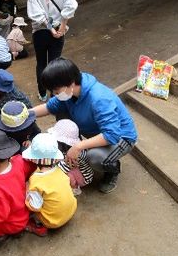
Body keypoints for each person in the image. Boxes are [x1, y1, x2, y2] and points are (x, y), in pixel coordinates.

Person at [31, 57, 138, 194]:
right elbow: (49, 107)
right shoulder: (70, 93)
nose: (55, 95)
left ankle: (112, 169)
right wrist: (25, 114)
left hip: (120, 137)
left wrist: (78, 146)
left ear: (71, 83)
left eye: (57, 91)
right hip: (98, 132)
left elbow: (111, 134)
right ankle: (74, 155)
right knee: (62, 113)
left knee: (94, 157)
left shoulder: (99, 98)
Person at [27, 0, 78, 102]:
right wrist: (61, 27)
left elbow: (36, 14)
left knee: (41, 63)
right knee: (54, 64)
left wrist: (49, 28)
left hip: (40, 33)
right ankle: (53, 95)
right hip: (58, 31)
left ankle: (42, 93)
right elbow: (71, 5)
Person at [22, 133, 77, 236]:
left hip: (53, 221)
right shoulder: (60, 171)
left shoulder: (35, 181)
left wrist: (26, 191)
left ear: (33, 159)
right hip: (71, 209)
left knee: (30, 204)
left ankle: (39, 227)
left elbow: (35, 207)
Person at [50, 119, 94, 195]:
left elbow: (63, 168)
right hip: (74, 168)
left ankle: (75, 187)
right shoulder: (67, 149)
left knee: (64, 175)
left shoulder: (76, 155)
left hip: (84, 176)